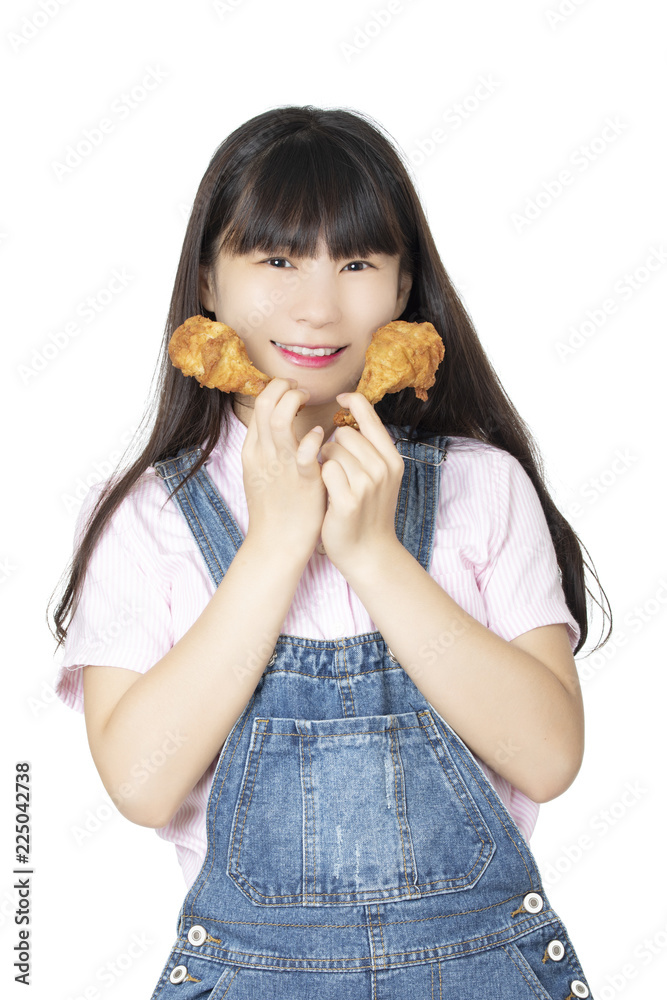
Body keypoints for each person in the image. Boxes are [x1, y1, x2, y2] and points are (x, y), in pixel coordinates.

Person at [51, 105, 608, 999]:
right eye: (275, 259)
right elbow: (142, 786)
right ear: (208, 279)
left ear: (400, 290)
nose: (316, 305)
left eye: (355, 262)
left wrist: (375, 556)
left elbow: (547, 756)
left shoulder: (481, 483)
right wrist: (273, 546)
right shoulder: (146, 514)